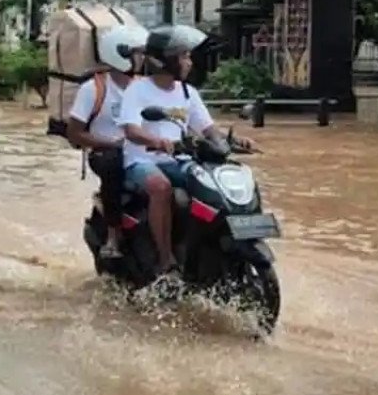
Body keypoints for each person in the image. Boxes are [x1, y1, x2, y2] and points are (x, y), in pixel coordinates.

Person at [117, 24, 255, 276]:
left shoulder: (187, 92)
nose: (189, 62)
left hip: (180, 159)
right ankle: (165, 259)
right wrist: (157, 141)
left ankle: (212, 246)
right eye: (183, 56)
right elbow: (131, 130)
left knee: (215, 186)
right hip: (143, 160)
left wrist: (232, 141)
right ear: (164, 61)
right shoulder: (138, 90)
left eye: (188, 55)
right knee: (161, 188)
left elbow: (208, 129)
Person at [65, 24, 147, 259]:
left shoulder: (143, 87)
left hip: (141, 151)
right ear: (119, 54)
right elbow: (75, 133)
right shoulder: (93, 88)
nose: (141, 58)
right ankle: (113, 235)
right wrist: (112, 143)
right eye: (137, 53)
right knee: (113, 164)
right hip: (105, 152)